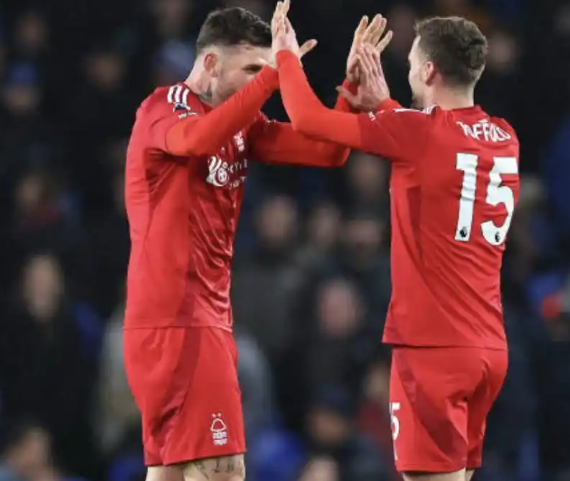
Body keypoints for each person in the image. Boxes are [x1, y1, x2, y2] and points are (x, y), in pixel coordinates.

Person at [123, 2, 392, 481]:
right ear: (210, 63)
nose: (260, 81)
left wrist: (349, 93)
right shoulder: (163, 107)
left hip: (201, 322)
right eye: (250, 69)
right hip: (178, 321)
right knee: (223, 469)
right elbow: (195, 141)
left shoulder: (241, 126)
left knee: (170, 473)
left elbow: (326, 152)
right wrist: (273, 75)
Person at [273, 11, 520, 481]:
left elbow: (307, 119)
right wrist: (382, 105)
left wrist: (284, 55)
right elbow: (435, 146)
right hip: (487, 348)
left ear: (428, 70)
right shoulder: (505, 137)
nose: (406, 75)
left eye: (409, 64)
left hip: (433, 350)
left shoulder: (416, 132)